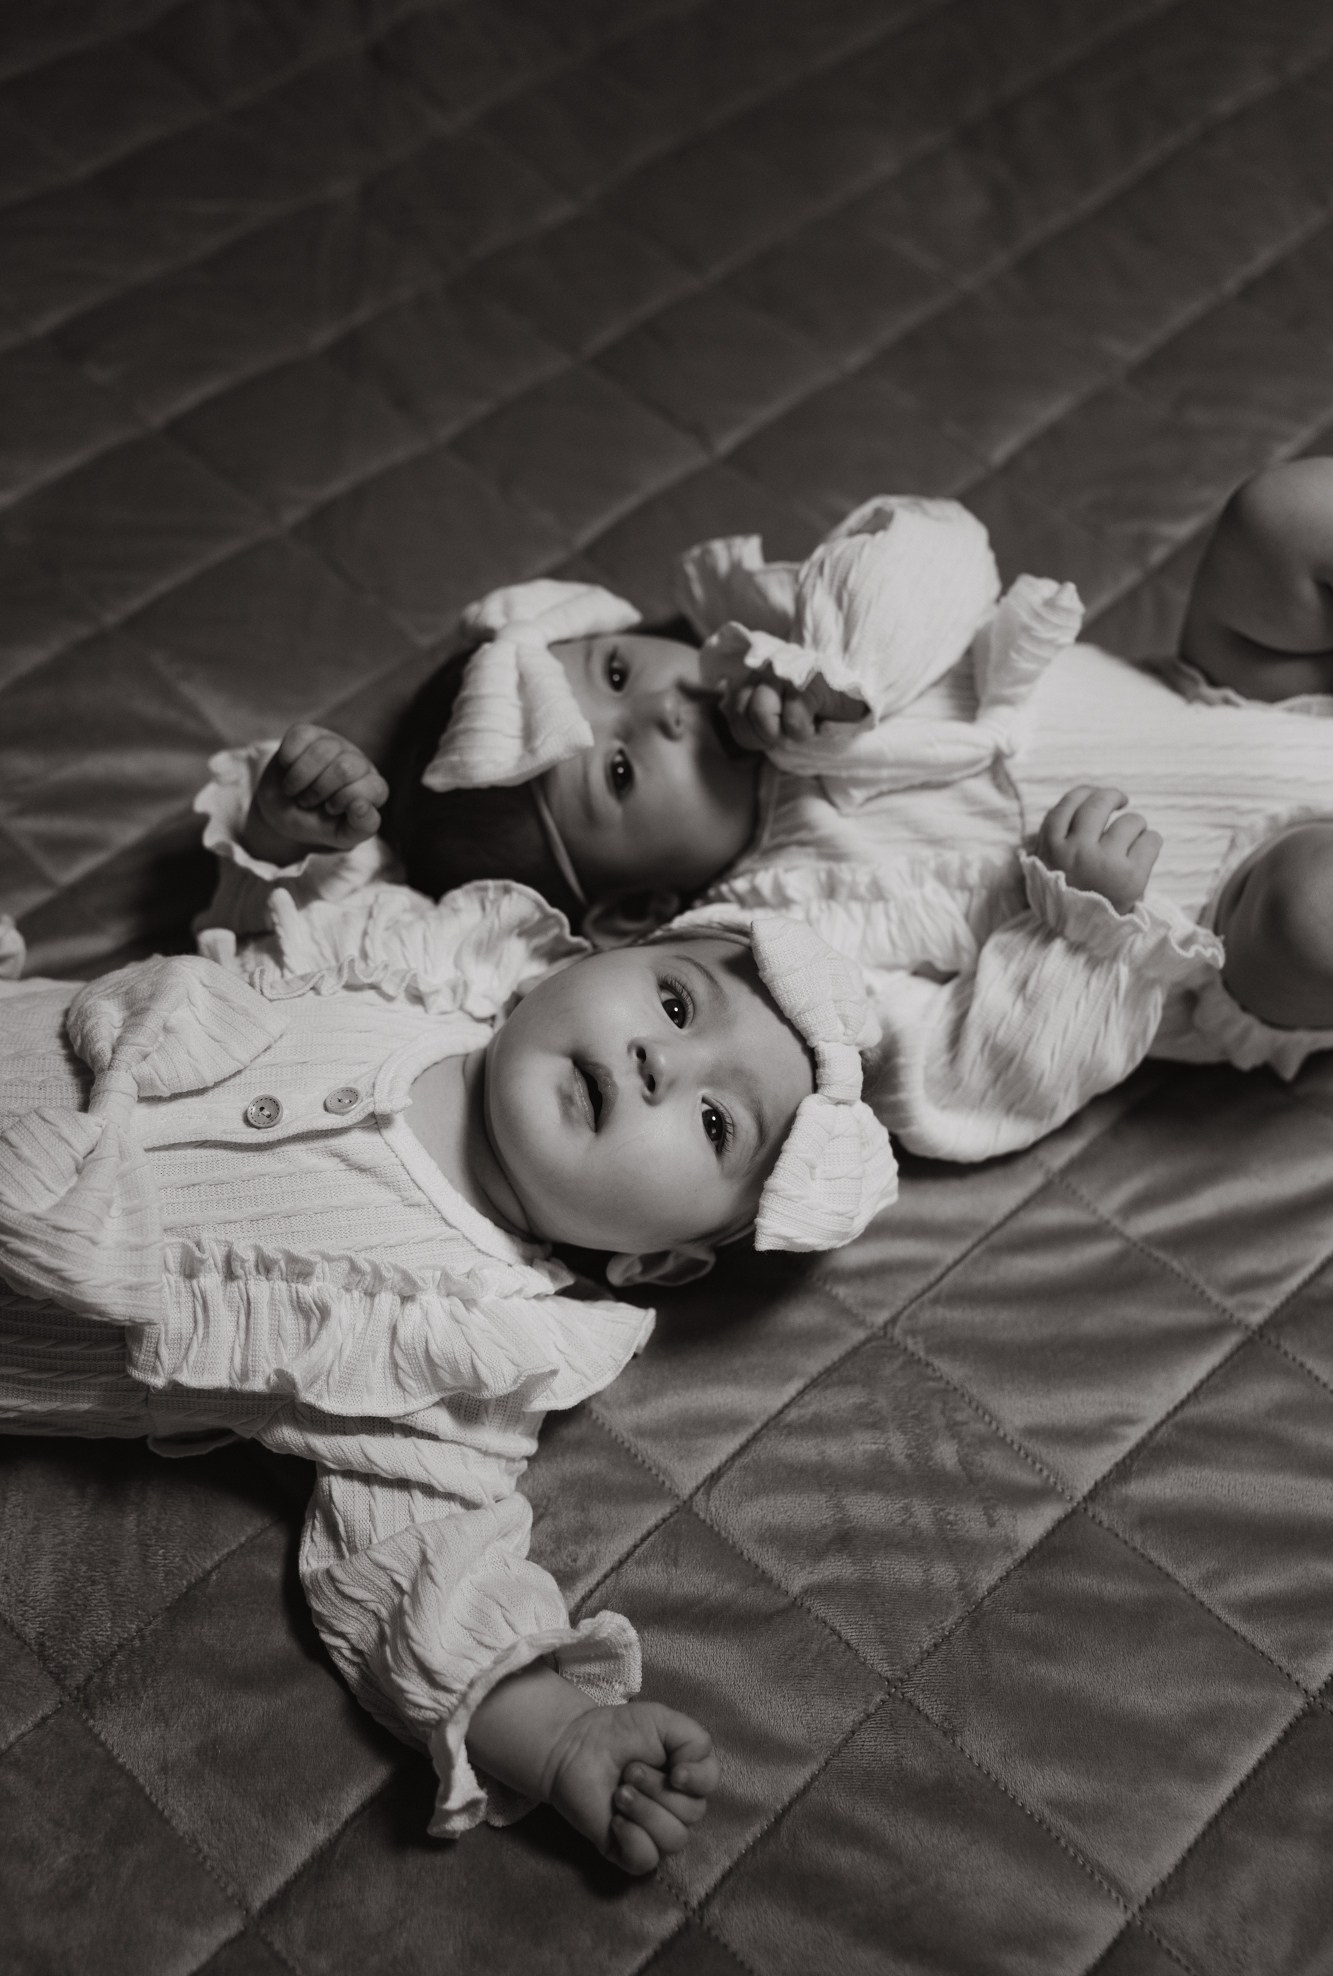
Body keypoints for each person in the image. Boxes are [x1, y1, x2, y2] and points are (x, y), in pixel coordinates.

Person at [0, 883, 895, 1875]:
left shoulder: (459, 1337)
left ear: (654, 1263)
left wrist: (556, 1732)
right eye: (675, 1002)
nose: (660, 1061)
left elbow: (424, 1556)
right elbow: (258, 916)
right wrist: (287, 829)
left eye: (716, 1122)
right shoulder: (402, 972)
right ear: (587, 962)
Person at [195, 461, 1333, 1160]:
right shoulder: (783, 944)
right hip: (1235, 911)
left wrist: (851, 656)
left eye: (615, 673)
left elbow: (946, 541)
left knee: (1280, 520)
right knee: (1308, 917)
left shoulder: (791, 629)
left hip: (1241, 699)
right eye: (620, 776)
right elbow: (954, 1081)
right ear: (633, 906)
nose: (659, 714)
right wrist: (1072, 933)